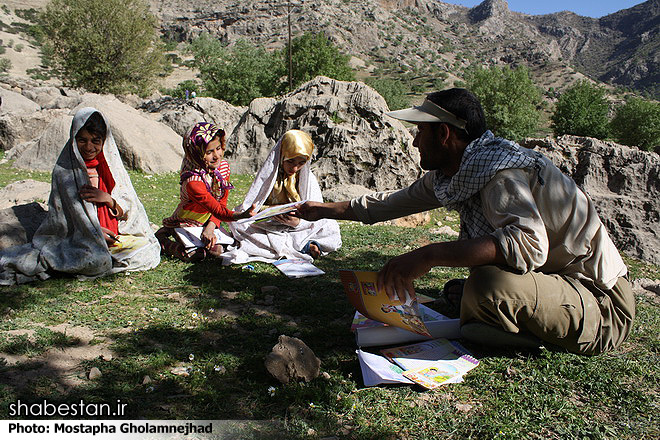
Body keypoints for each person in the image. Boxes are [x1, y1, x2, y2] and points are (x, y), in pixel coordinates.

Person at [296, 88, 635, 355]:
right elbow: (387, 204)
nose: (414, 141)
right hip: (560, 288)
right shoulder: (454, 174)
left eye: (420, 132)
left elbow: (528, 245)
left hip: (601, 305)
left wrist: (427, 255)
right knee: (473, 290)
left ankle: (533, 341)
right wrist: (321, 209)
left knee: (488, 287)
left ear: (444, 134)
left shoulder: (500, 172)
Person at [0, 107, 161, 284]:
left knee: (148, 248)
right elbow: (64, 218)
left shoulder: (111, 168)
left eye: (95, 140)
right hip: (81, 238)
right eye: (82, 140)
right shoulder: (65, 172)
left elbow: (129, 208)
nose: (89, 147)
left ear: (104, 141)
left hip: (115, 235)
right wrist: (95, 232)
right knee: (96, 260)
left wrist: (108, 199)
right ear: (73, 139)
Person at [222, 129, 342, 264]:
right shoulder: (269, 174)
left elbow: (317, 210)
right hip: (268, 224)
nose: (295, 168)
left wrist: (297, 222)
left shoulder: (308, 178)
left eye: (301, 163)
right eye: (290, 161)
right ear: (282, 156)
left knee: (329, 224)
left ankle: (298, 245)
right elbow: (251, 205)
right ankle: (302, 246)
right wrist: (270, 211)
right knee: (237, 222)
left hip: (301, 225)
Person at [156, 122, 255, 262]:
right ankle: (162, 238)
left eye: (219, 148)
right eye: (209, 152)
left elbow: (222, 202)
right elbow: (218, 210)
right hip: (187, 221)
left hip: (209, 220)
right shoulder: (193, 181)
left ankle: (171, 233)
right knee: (195, 255)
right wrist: (242, 215)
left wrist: (210, 227)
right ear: (197, 153)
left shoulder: (222, 169)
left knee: (219, 251)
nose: (217, 156)